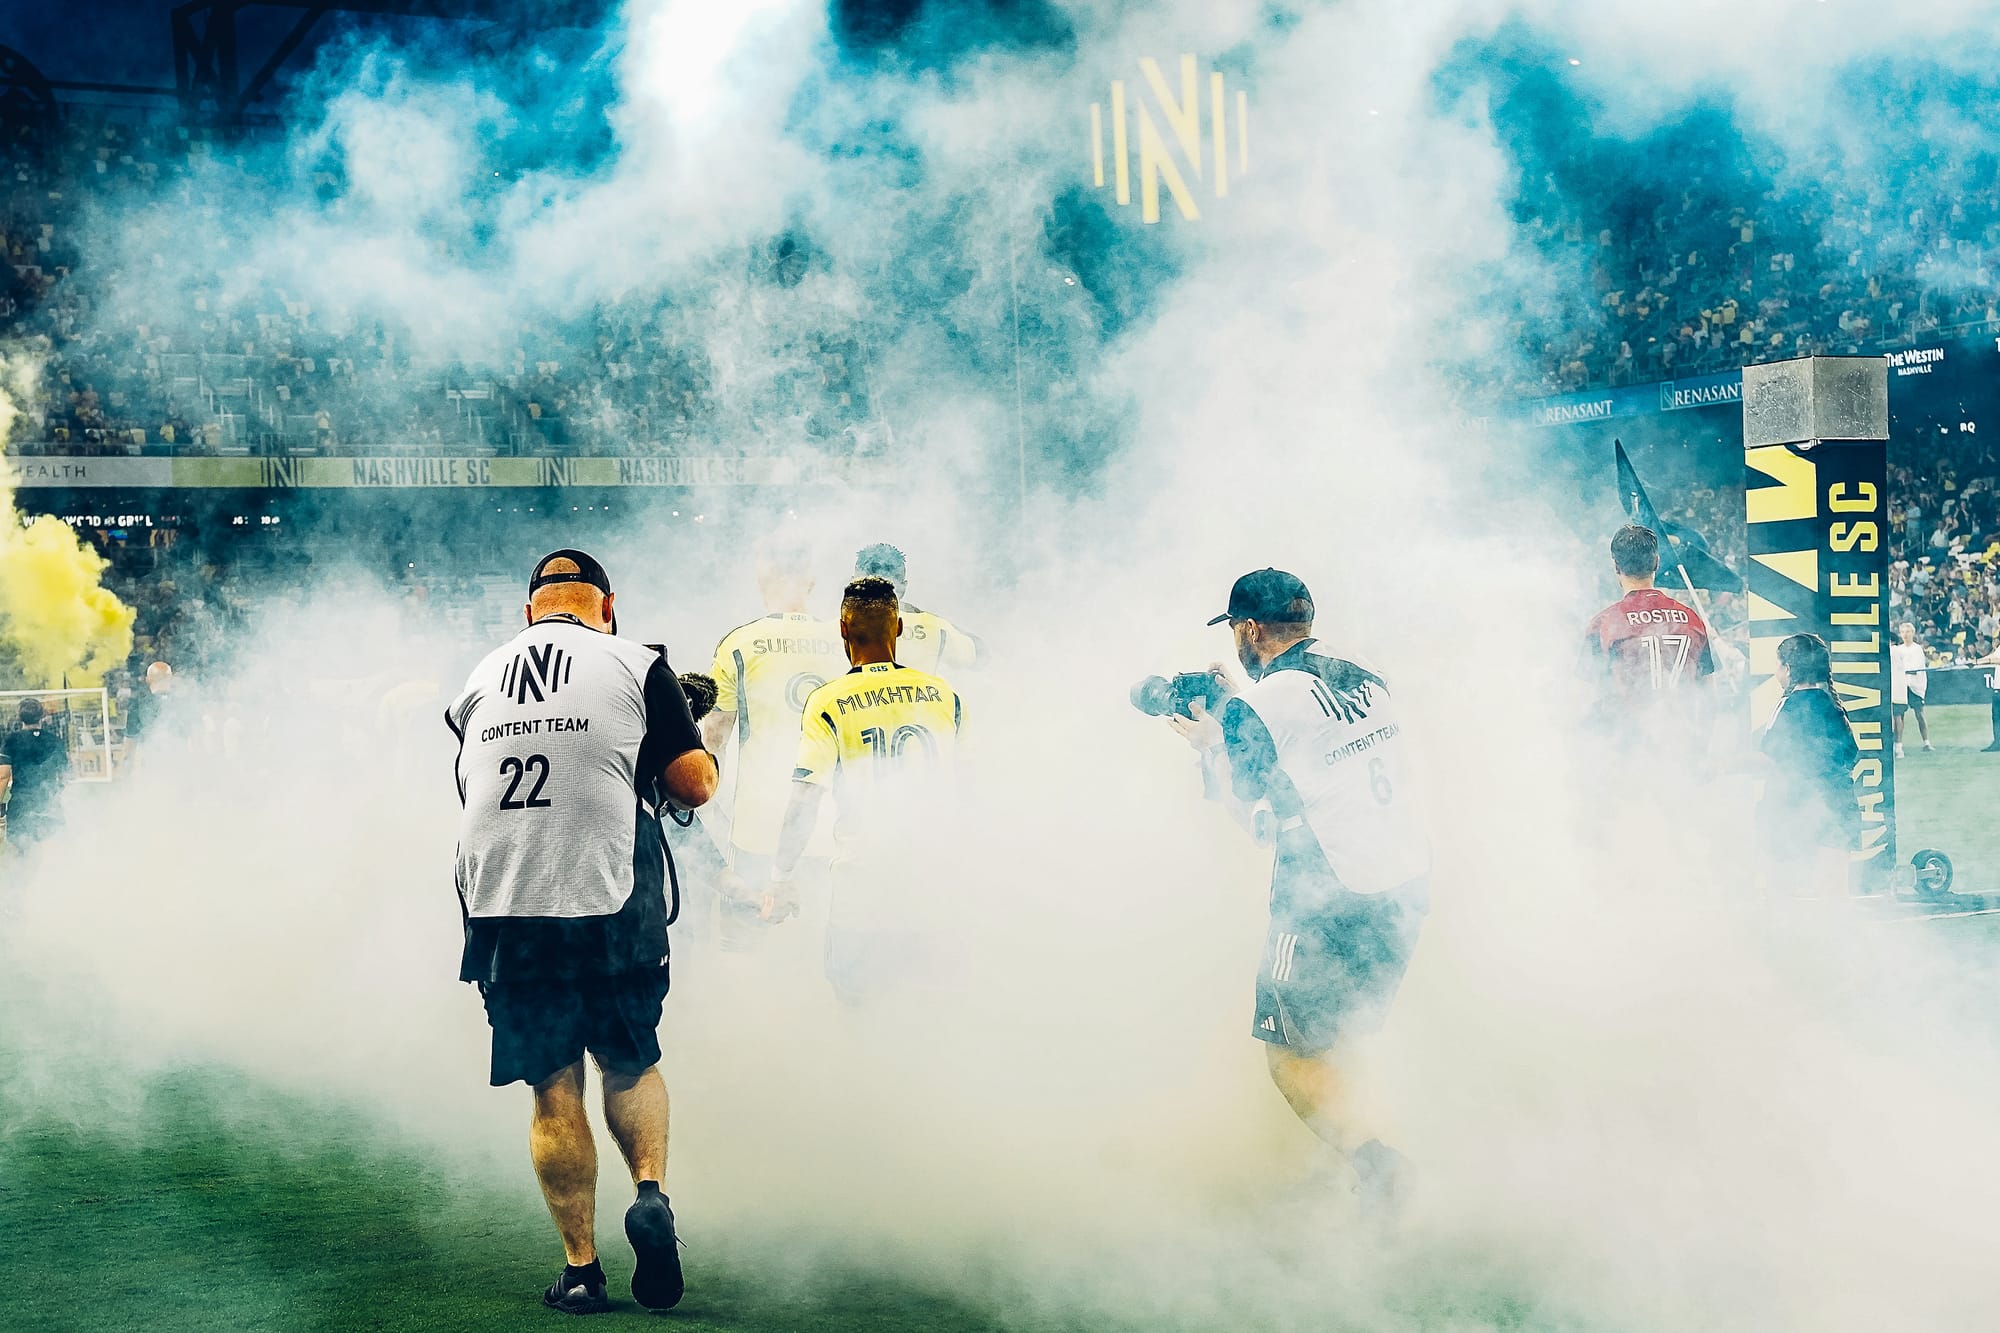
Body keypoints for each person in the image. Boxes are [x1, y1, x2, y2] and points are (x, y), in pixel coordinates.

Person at [444, 549, 718, 1316]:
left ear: (528, 613)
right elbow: (692, 784)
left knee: (553, 1083)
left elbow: (471, 786)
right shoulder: (635, 663)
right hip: (609, 894)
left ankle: (580, 1269)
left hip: (507, 902)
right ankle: (651, 1192)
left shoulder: (478, 679)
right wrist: (692, 735)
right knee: (629, 1060)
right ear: (609, 606)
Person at [1165, 569, 1431, 1216]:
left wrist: (1212, 746)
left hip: (1329, 894)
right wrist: (1238, 715)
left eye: (1235, 631)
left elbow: (1255, 819)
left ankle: (1379, 1167)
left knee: (1288, 1054)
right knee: (1340, 1037)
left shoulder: (1256, 708)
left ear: (1250, 629)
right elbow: (1312, 733)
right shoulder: (1365, 670)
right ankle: (1347, 1156)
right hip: (1406, 883)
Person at [764, 576, 962, 1002]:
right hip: (934, 884)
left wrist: (780, 877)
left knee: (859, 1007)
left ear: (842, 629)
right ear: (899, 627)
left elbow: (805, 798)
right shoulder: (943, 694)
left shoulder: (828, 700)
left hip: (862, 889)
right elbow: (967, 788)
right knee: (931, 1008)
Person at [700, 539, 846, 946]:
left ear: (761, 576)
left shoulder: (739, 643)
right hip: (831, 828)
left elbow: (715, 739)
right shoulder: (845, 640)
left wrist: (712, 811)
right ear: (811, 579)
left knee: (747, 948)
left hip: (758, 832)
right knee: (823, 946)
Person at [1581, 525, 1716, 739]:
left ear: (1616, 565)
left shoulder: (1603, 624)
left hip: (1628, 746)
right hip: (1683, 742)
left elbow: (1586, 695)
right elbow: (1709, 696)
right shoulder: (1692, 620)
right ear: (1656, 562)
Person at [1757, 634, 1860, 896]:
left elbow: (1771, 759)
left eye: (1777, 664)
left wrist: (1722, 767)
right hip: (1840, 805)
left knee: (1789, 899)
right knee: (1834, 898)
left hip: (1797, 810)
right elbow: (1850, 754)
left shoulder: (1788, 706)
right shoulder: (1834, 706)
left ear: (1787, 668)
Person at [853, 542, 980, 677]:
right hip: (920, 691)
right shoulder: (936, 626)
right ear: (903, 586)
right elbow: (978, 654)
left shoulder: (841, 627)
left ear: (853, 582)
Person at [0, 698, 72, 849]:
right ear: (42, 716)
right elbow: (66, 775)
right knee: (53, 851)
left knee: (22, 851)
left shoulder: (11, 740)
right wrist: (56, 794)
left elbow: (3, 776)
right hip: (49, 804)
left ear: (20, 718)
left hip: (20, 804)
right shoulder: (55, 741)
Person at [1889, 622, 1932, 758]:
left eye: (1908, 632)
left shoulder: (1917, 649)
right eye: (1903, 632)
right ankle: (1898, 745)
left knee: (1919, 714)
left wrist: (1903, 670)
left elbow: (1915, 667)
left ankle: (1926, 742)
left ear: (1913, 633)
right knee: (1898, 715)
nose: (1905, 634)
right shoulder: (1898, 649)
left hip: (1915, 686)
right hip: (1901, 685)